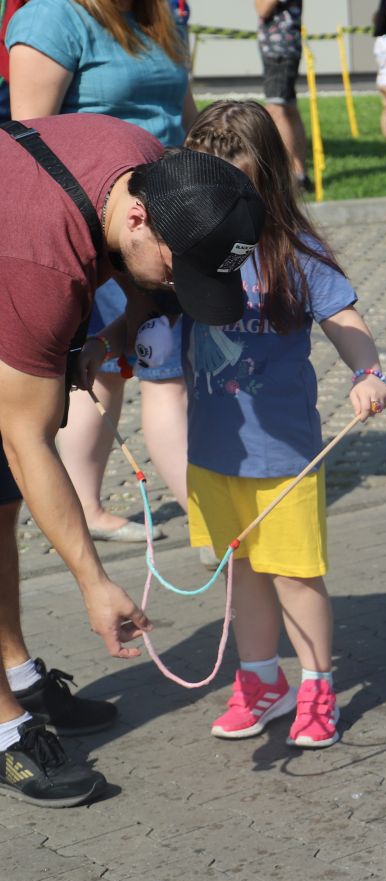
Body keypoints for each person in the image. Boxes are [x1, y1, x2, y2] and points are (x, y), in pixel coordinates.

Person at [1, 113, 265, 804]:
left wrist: (104, 333)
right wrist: (95, 583)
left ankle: (20, 679)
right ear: (142, 218)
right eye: (183, 274)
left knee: (1, 508)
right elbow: (28, 441)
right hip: (14, 261)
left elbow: (141, 277)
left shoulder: (152, 167)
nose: (183, 291)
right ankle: (4, 731)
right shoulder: (42, 261)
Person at [184, 101, 386, 749]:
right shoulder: (187, 247)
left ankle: (316, 685)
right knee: (243, 569)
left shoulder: (296, 251)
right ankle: (260, 680)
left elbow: (347, 324)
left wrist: (367, 374)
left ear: (265, 177)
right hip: (215, 451)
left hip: (285, 454)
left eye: (234, 185)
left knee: (295, 575)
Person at [8, 0, 200, 545]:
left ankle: (87, 505)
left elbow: (187, 117)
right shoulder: (52, 19)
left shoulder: (159, 13)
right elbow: (27, 148)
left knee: (113, 368)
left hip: (171, 224)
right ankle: (217, 523)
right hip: (111, 227)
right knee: (162, 379)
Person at [255, 0, 308, 190]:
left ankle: (287, 176)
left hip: (279, 48)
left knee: (277, 110)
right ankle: (299, 173)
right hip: (285, 45)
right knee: (289, 108)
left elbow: (263, 8)